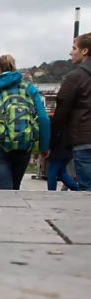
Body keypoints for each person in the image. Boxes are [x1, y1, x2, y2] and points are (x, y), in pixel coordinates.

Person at [0, 54, 50, 190]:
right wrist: (43, 147)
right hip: (23, 144)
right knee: (15, 188)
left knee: (5, 189)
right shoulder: (29, 89)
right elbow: (44, 119)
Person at [51, 33, 91, 191]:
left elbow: (61, 110)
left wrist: (52, 140)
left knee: (87, 190)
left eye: (74, 48)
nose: (70, 52)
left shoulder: (76, 77)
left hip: (84, 139)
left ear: (84, 51)